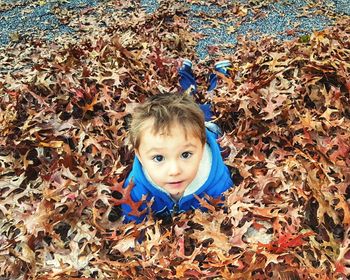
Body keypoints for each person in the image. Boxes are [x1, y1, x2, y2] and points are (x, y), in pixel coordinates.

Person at [110, 60, 234, 223]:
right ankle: (185, 74)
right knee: (187, 100)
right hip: (190, 131)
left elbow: (224, 219)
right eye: (159, 158)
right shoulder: (136, 188)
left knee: (209, 110)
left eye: (185, 154)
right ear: (139, 156)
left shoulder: (218, 183)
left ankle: (219, 77)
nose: (174, 170)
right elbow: (134, 224)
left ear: (203, 148)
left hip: (206, 130)